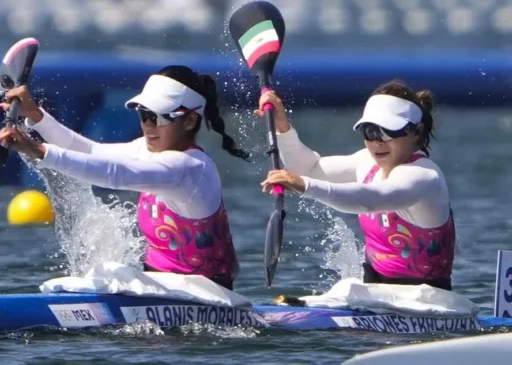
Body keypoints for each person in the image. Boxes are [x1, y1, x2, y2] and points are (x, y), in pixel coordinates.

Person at [0, 65, 251, 291]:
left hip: (206, 295)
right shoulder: (148, 149)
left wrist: (37, 150)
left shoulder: (191, 168)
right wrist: (36, 116)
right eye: (144, 114)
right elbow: (91, 151)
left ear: (189, 121)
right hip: (160, 288)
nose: (148, 125)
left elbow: (115, 174)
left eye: (158, 116)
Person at [257, 80, 456, 291]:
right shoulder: (366, 162)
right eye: (370, 131)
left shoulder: (424, 177)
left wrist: (305, 185)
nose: (378, 142)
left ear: (417, 131)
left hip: (427, 298)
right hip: (375, 293)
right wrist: (282, 127)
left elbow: (370, 199)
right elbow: (308, 169)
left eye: (389, 131)